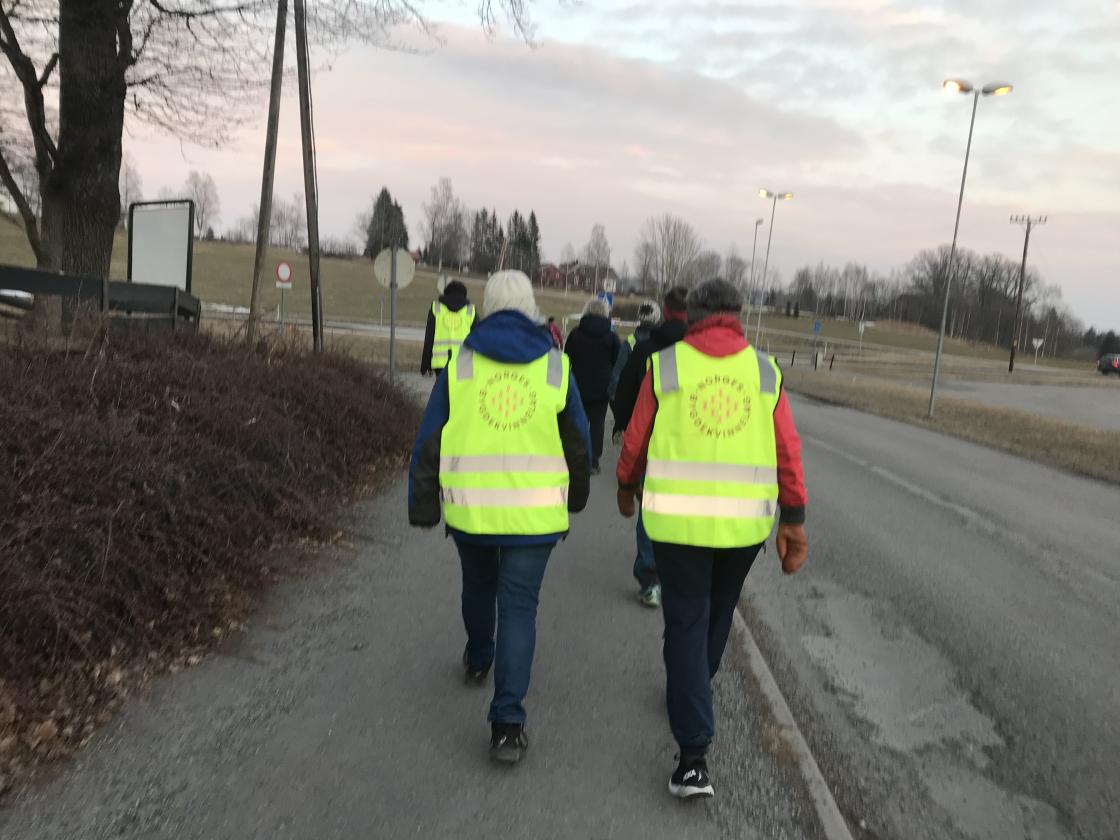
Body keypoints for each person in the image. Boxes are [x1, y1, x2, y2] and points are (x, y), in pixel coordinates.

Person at [615, 278, 808, 800]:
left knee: (685, 623)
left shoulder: (667, 367)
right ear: (738, 315)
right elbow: (787, 450)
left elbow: (636, 438)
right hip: (743, 529)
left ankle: (693, 756)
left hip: (678, 528)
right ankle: (694, 689)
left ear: (693, 315)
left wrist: (626, 485)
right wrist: (793, 516)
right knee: (718, 614)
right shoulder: (765, 372)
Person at [408, 270, 592, 764]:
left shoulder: (462, 364)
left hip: (472, 511)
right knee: (519, 609)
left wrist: (422, 504)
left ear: (486, 308)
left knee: (477, 587)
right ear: (532, 308)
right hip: (535, 518)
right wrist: (576, 497)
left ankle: (478, 658)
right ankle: (507, 724)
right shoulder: (555, 366)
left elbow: (430, 439)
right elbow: (578, 440)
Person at [609, 286, 689, 608]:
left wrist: (621, 423)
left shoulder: (647, 349)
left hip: (652, 442)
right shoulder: (697, 353)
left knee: (650, 508)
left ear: (665, 311)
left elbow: (626, 390)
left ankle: (651, 577)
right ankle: (677, 574)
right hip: (691, 442)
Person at [563, 297, 620, 474]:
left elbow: (566, 358)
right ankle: (593, 461)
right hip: (601, 389)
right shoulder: (611, 337)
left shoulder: (575, 334)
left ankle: (577, 459)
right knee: (597, 425)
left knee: (577, 423)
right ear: (605, 313)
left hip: (578, 386)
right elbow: (617, 362)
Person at [421, 279, 478, 377]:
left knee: (442, 387)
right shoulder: (470, 310)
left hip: (440, 363)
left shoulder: (436, 308)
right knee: (460, 387)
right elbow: (477, 339)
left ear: (445, 293)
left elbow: (429, 338)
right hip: (463, 362)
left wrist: (425, 364)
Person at [607, 301, 660, 402]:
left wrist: (613, 395)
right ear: (657, 317)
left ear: (639, 316)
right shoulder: (662, 342)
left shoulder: (630, 341)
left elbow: (617, 372)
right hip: (656, 398)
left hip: (633, 398)